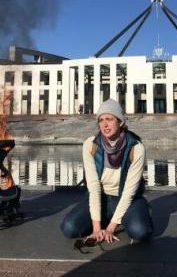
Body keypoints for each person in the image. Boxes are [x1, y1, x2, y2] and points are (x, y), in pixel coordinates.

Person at [61, 99, 153, 244]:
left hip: (127, 199)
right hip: (101, 198)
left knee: (140, 232)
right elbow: (94, 187)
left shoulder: (136, 148)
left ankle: (131, 214)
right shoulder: (90, 145)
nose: (104, 124)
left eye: (109, 119)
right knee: (69, 228)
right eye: (101, 120)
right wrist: (97, 229)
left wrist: (110, 229)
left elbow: (129, 192)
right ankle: (106, 218)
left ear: (121, 122)